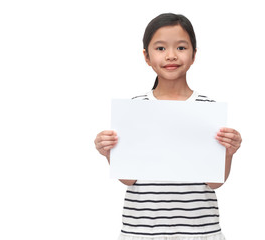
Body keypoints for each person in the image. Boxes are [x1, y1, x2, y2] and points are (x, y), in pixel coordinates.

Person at [94, 13, 242, 240]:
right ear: (146, 56)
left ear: (194, 55)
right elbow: (129, 179)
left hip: (199, 230)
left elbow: (214, 182)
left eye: (181, 48)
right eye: (160, 48)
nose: (171, 56)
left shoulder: (208, 110)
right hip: (142, 230)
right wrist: (109, 153)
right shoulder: (134, 109)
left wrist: (228, 153)